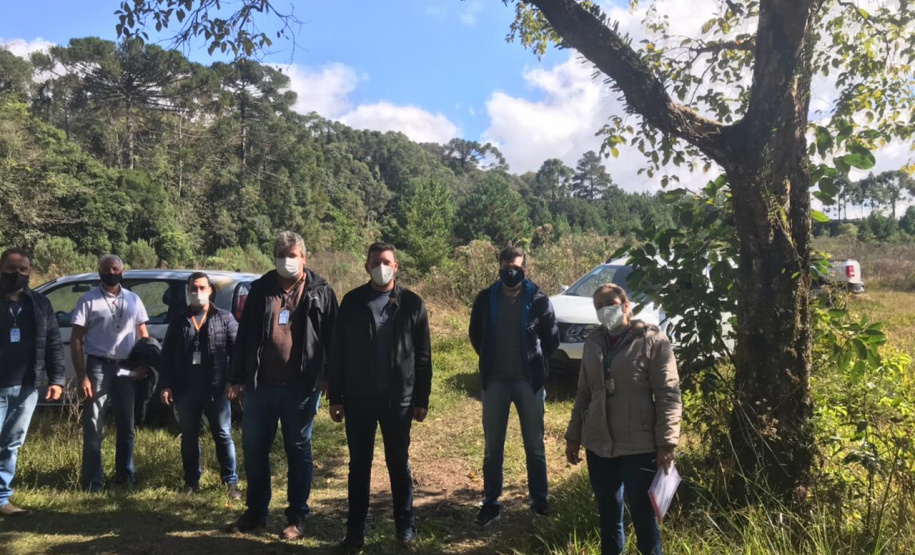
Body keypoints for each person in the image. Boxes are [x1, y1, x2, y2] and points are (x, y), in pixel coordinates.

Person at [227, 231, 338, 540]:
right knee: (254, 449)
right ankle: (255, 513)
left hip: (301, 386)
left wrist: (331, 378)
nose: (286, 260)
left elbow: (333, 339)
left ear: (304, 257)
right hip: (261, 385)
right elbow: (245, 337)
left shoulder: (321, 291)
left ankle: (296, 517)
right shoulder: (260, 289)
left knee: (299, 450)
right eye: (281, 255)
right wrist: (237, 378)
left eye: (292, 255)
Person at [328, 243, 432, 553]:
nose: (381, 266)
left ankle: (406, 529)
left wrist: (421, 398)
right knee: (359, 466)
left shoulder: (413, 304)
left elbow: (423, 356)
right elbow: (338, 352)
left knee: (398, 465)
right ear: (366, 267)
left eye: (386, 261)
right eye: (375, 262)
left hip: (398, 400)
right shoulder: (352, 302)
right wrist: (336, 396)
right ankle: (354, 534)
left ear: (396, 267)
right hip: (359, 399)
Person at [564, 283, 681, 555]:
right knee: (608, 516)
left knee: (643, 516)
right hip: (599, 445)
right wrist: (574, 436)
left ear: (626, 305)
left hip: (639, 445)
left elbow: (668, 394)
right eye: (599, 306)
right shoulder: (593, 343)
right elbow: (584, 393)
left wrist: (666, 443)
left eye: (611, 303)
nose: (606, 310)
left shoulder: (652, 340)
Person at [468, 246, 559, 527]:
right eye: (506, 267)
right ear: (499, 268)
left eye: (516, 268)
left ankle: (539, 499)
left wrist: (537, 365)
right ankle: (491, 503)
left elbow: (552, 337)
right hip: (495, 382)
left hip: (528, 382)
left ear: (524, 270)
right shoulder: (486, 298)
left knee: (534, 445)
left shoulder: (538, 298)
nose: (511, 272)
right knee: (493, 447)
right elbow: (476, 334)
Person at [72, 255, 149, 492]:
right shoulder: (88, 300)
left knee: (127, 426)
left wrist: (144, 363)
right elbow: (76, 339)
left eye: (115, 269)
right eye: (106, 269)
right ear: (99, 273)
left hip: (126, 367)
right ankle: (93, 482)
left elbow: (143, 333)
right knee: (94, 426)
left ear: (122, 272)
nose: (111, 272)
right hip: (98, 367)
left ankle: (125, 477)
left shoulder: (134, 299)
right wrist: (82, 375)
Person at [160, 272, 240, 499]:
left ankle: (231, 483)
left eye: (202, 288)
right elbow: (166, 357)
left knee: (223, 434)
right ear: (188, 291)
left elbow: (237, 353)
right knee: (189, 435)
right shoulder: (178, 321)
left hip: (217, 388)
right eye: (193, 288)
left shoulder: (225, 318)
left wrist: (234, 382)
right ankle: (191, 482)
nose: (197, 292)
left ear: (211, 290)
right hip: (186, 389)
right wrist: (165, 385)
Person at [0, 248, 65, 516]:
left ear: (30, 272)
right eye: (11, 269)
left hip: (27, 387)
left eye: (23, 269)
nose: (17, 274)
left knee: (11, 445)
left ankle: (2, 499)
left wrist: (57, 378)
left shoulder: (39, 304)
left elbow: (53, 343)